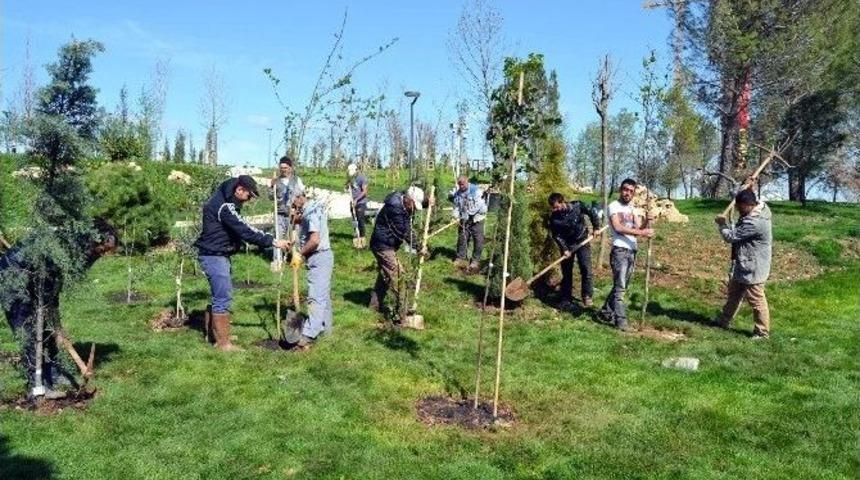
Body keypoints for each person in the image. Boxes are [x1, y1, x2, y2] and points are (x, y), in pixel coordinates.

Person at [1, 220, 117, 399]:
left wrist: (57, 326)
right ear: (93, 241)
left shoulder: (75, 251)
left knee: (47, 332)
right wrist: (56, 324)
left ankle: (52, 374)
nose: (101, 255)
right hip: (13, 278)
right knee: (29, 331)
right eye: (102, 250)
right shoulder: (65, 248)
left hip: (36, 278)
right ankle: (36, 386)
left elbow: (54, 286)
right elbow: (47, 286)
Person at [194, 175, 290, 351]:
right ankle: (223, 344)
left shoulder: (226, 199)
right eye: (248, 196)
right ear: (240, 190)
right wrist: (274, 242)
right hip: (214, 255)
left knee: (220, 294)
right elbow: (245, 230)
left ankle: (214, 334)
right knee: (222, 297)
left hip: (217, 254)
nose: (248, 200)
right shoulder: (225, 207)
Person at [713, 189, 773, 339]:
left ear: (748, 205)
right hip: (744, 263)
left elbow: (731, 237)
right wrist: (749, 183)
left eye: (740, 207)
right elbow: (747, 193)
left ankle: (762, 332)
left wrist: (722, 224)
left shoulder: (756, 222)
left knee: (756, 299)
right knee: (734, 294)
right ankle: (723, 320)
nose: (738, 210)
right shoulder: (757, 207)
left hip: (754, 266)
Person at [599, 178, 654, 330]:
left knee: (622, 285)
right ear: (620, 190)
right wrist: (643, 232)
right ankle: (621, 321)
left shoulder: (633, 209)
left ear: (634, 192)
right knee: (620, 288)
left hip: (632, 250)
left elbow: (637, 229)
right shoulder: (613, 206)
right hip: (619, 250)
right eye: (625, 189)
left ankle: (605, 311)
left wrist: (646, 222)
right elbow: (618, 227)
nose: (627, 193)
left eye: (631, 191)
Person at [369, 187, 428, 321]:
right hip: (382, 245)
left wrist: (428, 201)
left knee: (385, 276)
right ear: (408, 200)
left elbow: (418, 204)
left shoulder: (402, 202)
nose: (414, 209)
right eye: (414, 205)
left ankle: (374, 305)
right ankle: (403, 312)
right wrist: (419, 247)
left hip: (386, 244)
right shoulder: (395, 209)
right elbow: (405, 231)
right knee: (398, 276)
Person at [286, 192, 334, 348]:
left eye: (293, 203)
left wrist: (299, 254)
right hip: (322, 257)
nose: (293, 207)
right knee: (323, 296)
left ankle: (308, 334)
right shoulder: (312, 209)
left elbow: (314, 240)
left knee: (315, 298)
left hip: (319, 257)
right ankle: (326, 330)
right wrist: (296, 222)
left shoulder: (311, 212)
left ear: (300, 197)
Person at [546, 192, 601, 308]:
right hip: (567, 245)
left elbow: (592, 212)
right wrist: (564, 249)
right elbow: (556, 235)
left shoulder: (577, 205)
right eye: (553, 208)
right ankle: (566, 298)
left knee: (586, 269)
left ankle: (587, 296)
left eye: (557, 206)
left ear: (563, 202)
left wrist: (596, 227)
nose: (555, 210)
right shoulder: (554, 218)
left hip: (582, 241)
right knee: (567, 272)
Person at [270, 156, 305, 260]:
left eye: (285, 168)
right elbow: (271, 197)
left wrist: (298, 208)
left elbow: (303, 195)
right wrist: (272, 187)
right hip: (280, 214)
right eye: (281, 168)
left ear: (290, 168)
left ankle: (296, 258)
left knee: (295, 238)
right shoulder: (276, 181)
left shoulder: (296, 180)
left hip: (294, 214)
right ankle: (277, 260)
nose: (283, 170)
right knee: (278, 237)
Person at [451, 176, 487, 272]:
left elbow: (478, 205)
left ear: (467, 182)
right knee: (462, 237)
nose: (461, 186)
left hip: (477, 218)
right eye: (460, 184)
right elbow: (456, 206)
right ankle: (461, 257)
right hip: (465, 218)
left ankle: (475, 260)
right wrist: (455, 216)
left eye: (463, 184)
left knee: (478, 239)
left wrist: (468, 213)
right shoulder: (458, 194)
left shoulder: (476, 190)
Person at [346, 163, 369, 249]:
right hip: (352, 202)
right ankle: (356, 237)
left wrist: (356, 200)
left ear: (356, 170)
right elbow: (347, 186)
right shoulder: (351, 178)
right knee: (354, 221)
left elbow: (365, 191)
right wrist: (346, 187)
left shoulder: (362, 178)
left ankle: (362, 239)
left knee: (360, 220)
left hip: (360, 203)